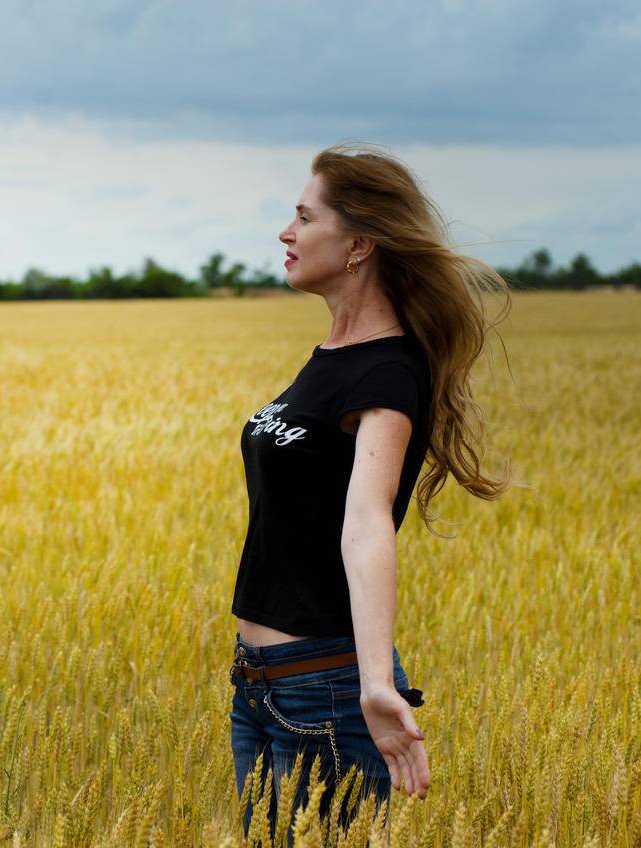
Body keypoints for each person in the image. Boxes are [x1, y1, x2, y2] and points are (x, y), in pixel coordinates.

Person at [228, 142, 514, 843]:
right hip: (260, 689)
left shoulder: (385, 374)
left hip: (322, 690)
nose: (284, 233)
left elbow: (365, 525)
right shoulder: (331, 357)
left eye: (302, 216)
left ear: (357, 244)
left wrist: (374, 681)